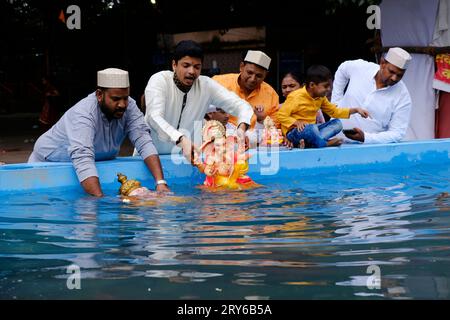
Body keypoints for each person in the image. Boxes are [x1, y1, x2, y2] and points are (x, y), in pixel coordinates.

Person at [28, 68, 170, 197]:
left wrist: (161, 183)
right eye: (115, 99)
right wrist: (102, 202)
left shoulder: (130, 106)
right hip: (47, 164)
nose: (122, 104)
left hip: (93, 162)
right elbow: (83, 159)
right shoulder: (83, 114)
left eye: (125, 98)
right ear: (99, 95)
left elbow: (144, 140)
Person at [137, 40, 254, 162]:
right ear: (174, 65)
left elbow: (242, 106)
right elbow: (154, 117)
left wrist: (241, 128)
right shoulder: (159, 80)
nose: (192, 71)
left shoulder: (206, 86)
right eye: (186, 65)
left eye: (197, 67)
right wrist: (181, 139)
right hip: (150, 158)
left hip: (185, 160)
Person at [331, 47, 413, 144]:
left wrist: (366, 138)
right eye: (391, 72)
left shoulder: (403, 96)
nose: (394, 78)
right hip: (334, 141)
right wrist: (335, 103)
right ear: (382, 63)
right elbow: (342, 69)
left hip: (368, 150)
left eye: (400, 75)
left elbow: (397, 133)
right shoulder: (361, 68)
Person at [276, 65, 369, 148]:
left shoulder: (321, 98)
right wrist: (296, 122)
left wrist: (355, 110)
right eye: (325, 86)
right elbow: (281, 115)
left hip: (312, 130)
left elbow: (334, 111)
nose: (329, 89)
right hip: (294, 132)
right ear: (312, 85)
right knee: (311, 129)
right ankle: (324, 144)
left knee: (337, 124)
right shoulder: (295, 96)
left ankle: (310, 143)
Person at [213, 50, 280, 132]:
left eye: (259, 76)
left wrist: (262, 120)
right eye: (250, 73)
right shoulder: (219, 83)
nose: (252, 79)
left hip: (256, 141)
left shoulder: (271, 94)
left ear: (265, 75)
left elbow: (275, 128)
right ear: (241, 67)